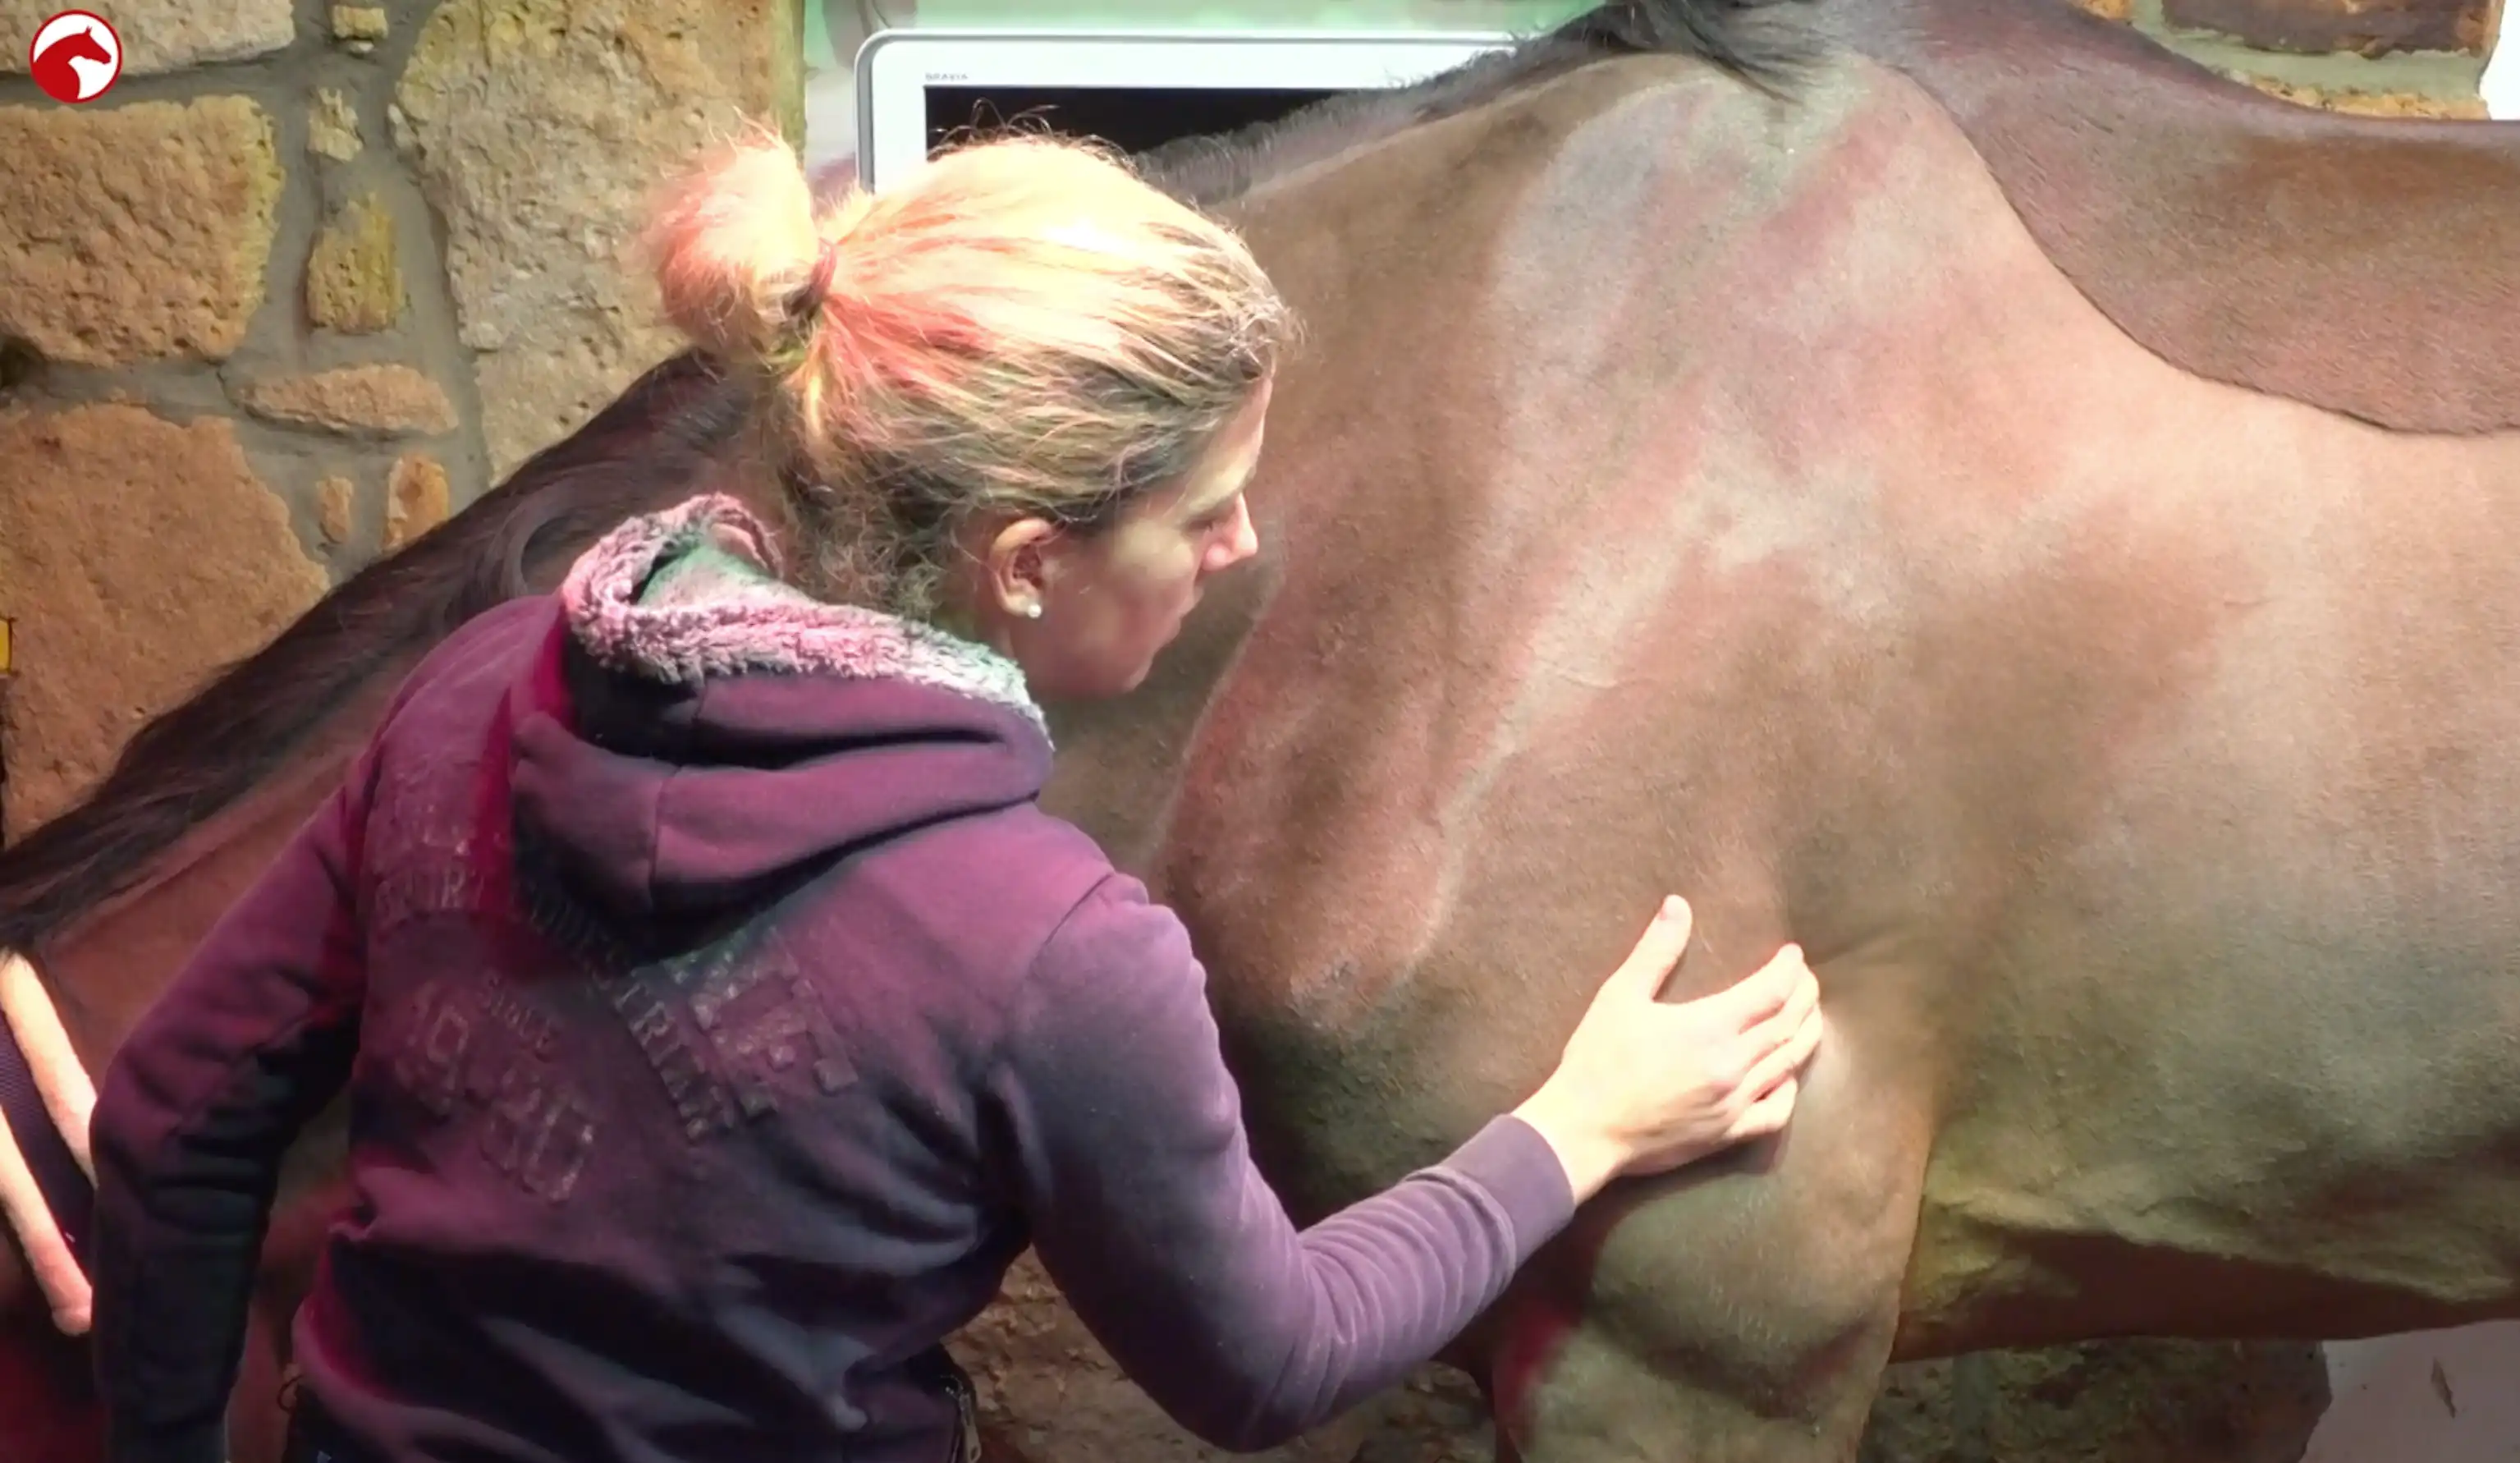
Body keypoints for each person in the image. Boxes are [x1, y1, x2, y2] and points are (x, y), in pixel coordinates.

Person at [87, 126, 1827, 1463]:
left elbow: (168, 1119)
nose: (1241, 547)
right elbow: (1265, 1361)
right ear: (1023, 565)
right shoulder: (1049, 956)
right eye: (1206, 510)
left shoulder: (471, 692)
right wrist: (1580, 1130)